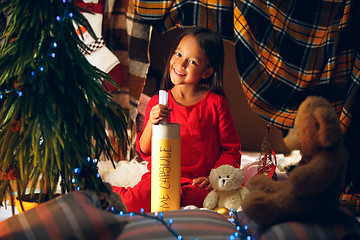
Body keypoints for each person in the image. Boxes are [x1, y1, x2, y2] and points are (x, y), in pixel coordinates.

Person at [113, 27, 242, 212]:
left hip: (197, 183)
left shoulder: (216, 103)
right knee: (131, 202)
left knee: (208, 202)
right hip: (161, 179)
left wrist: (214, 178)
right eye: (178, 54)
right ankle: (104, 191)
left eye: (192, 61)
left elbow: (231, 149)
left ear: (206, 72)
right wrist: (151, 122)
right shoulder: (158, 102)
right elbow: (144, 150)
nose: (181, 64)